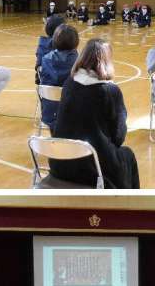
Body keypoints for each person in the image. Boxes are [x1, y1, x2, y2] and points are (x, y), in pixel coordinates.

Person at [51, 38, 140, 189]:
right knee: (127, 156)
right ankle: (128, 202)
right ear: (107, 62)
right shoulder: (110, 91)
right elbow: (119, 137)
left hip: (60, 162)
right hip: (92, 168)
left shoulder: (69, 83)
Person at [39, 24, 79, 131]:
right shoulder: (79, 62)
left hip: (49, 114)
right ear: (76, 42)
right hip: (74, 115)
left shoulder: (45, 59)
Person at [35, 15, 65, 84]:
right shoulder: (65, 44)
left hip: (44, 84)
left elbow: (38, 66)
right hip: (57, 84)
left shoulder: (42, 44)